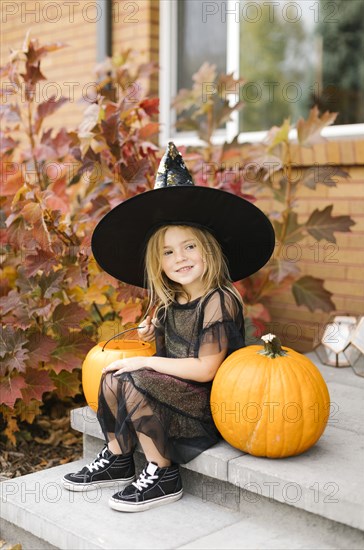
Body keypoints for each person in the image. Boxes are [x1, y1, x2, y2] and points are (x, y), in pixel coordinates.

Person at [62, 143, 275, 512]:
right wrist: (150, 333)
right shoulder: (170, 301)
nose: (181, 258)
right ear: (157, 263)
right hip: (171, 389)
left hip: (205, 401)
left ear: (209, 249)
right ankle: (118, 458)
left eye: (189, 246)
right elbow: (166, 346)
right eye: (169, 252)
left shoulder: (218, 300)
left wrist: (145, 363)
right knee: (113, 373)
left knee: (132, 376)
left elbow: (206, 369)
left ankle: (163, 473)